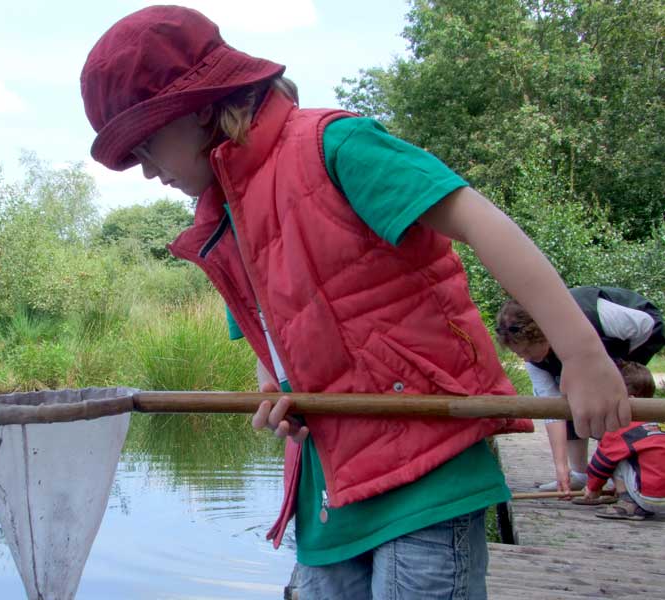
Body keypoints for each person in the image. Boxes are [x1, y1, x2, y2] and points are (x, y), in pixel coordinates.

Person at [80, 6, 630, 597]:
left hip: (429, 471)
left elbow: (484, 222)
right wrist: (279, 390)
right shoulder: (223, 218)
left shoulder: (334, 145)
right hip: (330, 495)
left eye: (146, 144)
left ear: (202, 107)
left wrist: (583, 355)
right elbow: (274, 341)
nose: (145, 171)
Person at [496, 287, 664, 494]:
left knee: (611, 400)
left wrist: (618, 366)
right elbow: (552, 410)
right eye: (518, 354)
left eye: (527, 351)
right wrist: (560, 468)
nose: (526, 359)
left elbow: (645, 325)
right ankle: (579, 474)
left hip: (639, 335)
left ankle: (627, 472)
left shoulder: (592, 316)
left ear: (544, 336)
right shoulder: (534, 362)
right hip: (583, 352)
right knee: (571, 397)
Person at [580, 361, 664, 520]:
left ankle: (628, 503)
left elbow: (600, 464)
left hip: (651, 497)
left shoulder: (620, 429)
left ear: (628, 399)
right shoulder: (659, 422)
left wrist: (593, 489)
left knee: (615, 456)